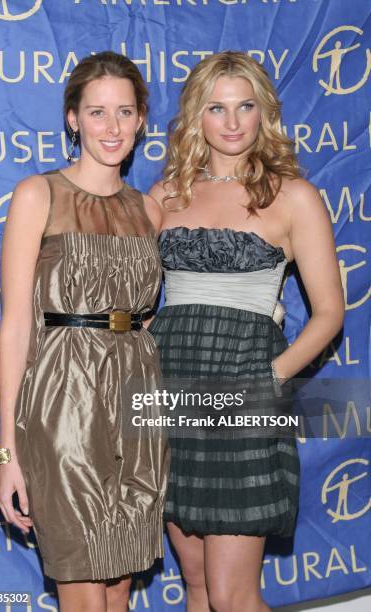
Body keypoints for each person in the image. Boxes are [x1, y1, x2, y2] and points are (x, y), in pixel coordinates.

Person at [148, 51, 344, 612]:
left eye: (245, 106)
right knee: (199, 587)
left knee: (234, 596)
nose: (232, 122)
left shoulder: (295, 197)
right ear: (196, 116)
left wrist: (269, 379)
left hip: (246, 391)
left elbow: (329, 312)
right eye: (216, 107)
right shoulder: (166, 196)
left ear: (264, 114)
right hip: (171, 391)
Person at [0, 51, 170, 612]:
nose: (111, 127)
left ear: (142, 119)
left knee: (120, 586)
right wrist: (7, 455)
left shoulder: (151, 210)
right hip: (63, 401)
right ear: (73, 119)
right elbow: (16, 322)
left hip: (137, 401)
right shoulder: (36, 195)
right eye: (96, 113)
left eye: (124, 112)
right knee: (84, 585)